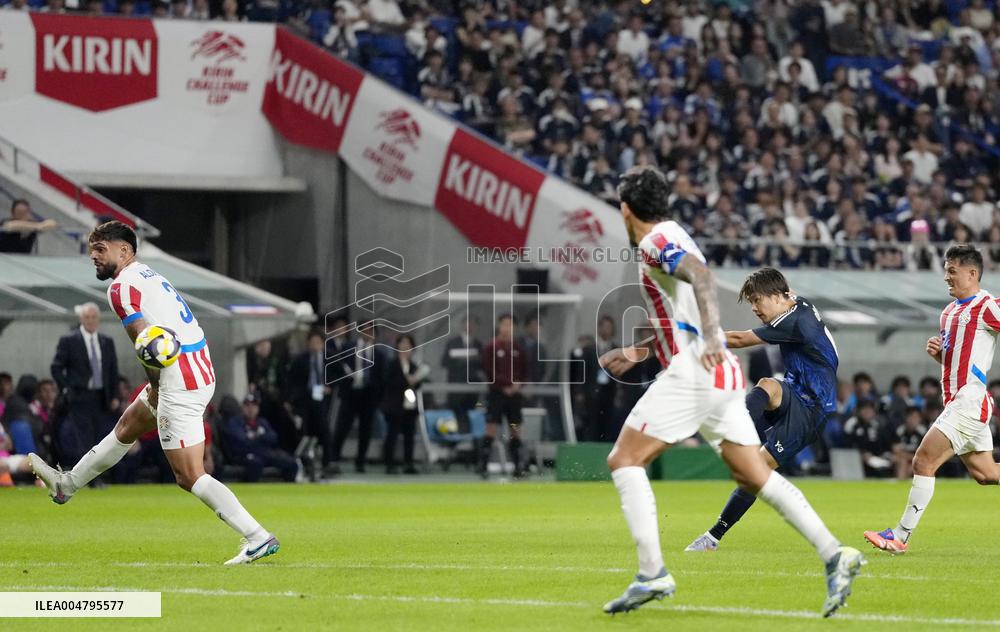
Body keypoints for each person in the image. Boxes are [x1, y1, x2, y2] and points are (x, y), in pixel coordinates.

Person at [597, 166, 862, 616]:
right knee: (756, 476)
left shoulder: (653, 242)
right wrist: (643, 349)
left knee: (624, 459)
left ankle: (651, 573)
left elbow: (700, 276)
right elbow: (686, 311)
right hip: (720, 378)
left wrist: (715, 335)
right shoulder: (675, 231)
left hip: (695, 372)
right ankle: (837, 554)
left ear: (626, 210)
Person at [28, 221, 279, 565]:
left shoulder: (119, 289)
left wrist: (159, 386)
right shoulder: (147, 274)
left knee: (188, 475)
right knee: (127, 427)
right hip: (196, 368)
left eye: (101, 250)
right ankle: (66, 485)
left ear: (125, 251)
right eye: (92, 251)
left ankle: (257, 536)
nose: (94, 257)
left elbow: (146, 344)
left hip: (178, 381)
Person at [685, 267, 840, 552]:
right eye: (752, 302)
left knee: (754, 473)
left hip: (812, 411)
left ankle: (713, 537)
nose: (755, 308)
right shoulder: (795, 303)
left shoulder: (794, 322)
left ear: (777, 296)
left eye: (757, 300)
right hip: (795, 391)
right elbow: (788, 291)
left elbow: (741, 340)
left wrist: (693, 334)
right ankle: (736, 432)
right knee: (767, 384)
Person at [865, 245, 1000, 554]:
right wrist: (942, 357)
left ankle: (899, 536)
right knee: (986, 474)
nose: (946, 277)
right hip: (957, 401)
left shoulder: (987, 305)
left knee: (923, 460)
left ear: (972, 273)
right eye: (945, 270)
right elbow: (959, 361)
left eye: (952, 271)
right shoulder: (949, 312)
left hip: (970, 399)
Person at [50, 302, 119, 470]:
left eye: (93, 317)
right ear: (81, 319)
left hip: (100, 396)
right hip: (79, 396)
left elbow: (112, 370)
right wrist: (66, 389)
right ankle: (88, 476)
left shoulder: (106, 341)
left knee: (98, 437)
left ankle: (92, 475)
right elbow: (56, 367)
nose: (90, 321)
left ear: (99, 319)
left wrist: (114, 395)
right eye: (87, 317)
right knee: (84, 437)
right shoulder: (69, 340)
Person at [329, 321, 387, 473]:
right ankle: (333, 458)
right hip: (350, 393)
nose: (369, 333)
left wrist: (378, 397)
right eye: (367, 330)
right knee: (342, 427)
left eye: (372, 331)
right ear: (361, 331)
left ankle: (360, 461)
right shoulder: (348, 347)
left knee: (365, 429)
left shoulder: (379, 354)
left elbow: (381, 378)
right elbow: (338, 367)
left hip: (368, 396)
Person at [480, 314, 527, 478]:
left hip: (514, 397)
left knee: (515, 428)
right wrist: (506, 384)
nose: (507, 328)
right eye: (504, 325)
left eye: (510, 325)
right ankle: (483, 465)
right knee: (491, 427)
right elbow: (489, 371)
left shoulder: (518, 349)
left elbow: (525, 371)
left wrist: (518, 384)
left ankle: (518, 465)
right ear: (499, 326)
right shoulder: (490, 348)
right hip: (496, 395)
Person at [222, 393, 297, 483]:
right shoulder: (236, 422)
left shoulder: (262, 422)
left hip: (264, 453)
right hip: (244, 455)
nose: (251, 409)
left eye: (254, 406)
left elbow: (273, 438)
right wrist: (260, 439)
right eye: (247, 405)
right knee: (255, 464)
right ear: (242, 407)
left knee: (290, 463)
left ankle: (287, 489)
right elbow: (241, 441)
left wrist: (257, 437)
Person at [381, 334, 429, 474]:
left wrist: (416, 380)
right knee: (392, 434)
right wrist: (406, 381)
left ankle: (408, 463)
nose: (406, 347)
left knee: (409, 435)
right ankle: (389, 463)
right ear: (397, 346)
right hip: (394, 405)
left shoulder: (414, 366)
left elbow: (418, 384)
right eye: (403, 344)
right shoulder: (392, 364)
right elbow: (388, 382)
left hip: (410, 405)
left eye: (408, 345)